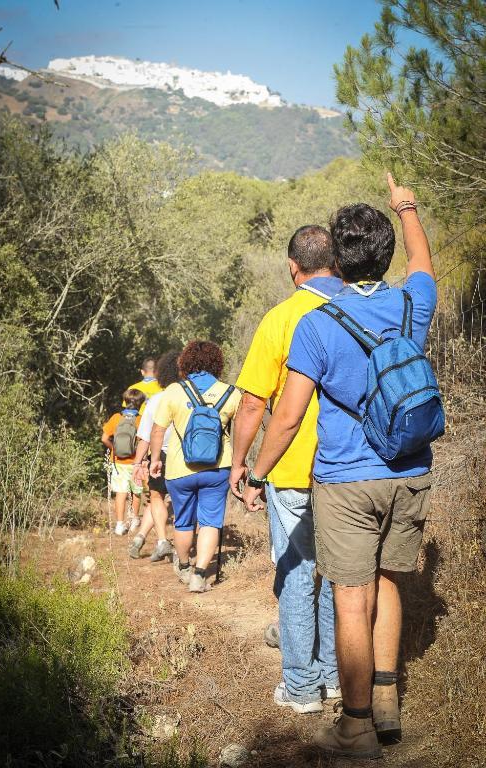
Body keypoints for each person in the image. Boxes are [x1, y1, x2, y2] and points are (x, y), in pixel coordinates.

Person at [242, 174, 437, 759]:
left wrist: (257, 472)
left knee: (351, 597)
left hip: (346, 481)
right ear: (384, 253)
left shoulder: (316, 326)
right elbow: (422, 259)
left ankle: (355, 728)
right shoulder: (412, 303)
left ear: (336, 260)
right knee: (390, 583)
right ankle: (385, 702)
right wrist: (406, 205)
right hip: (408, 471)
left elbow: (288, 418)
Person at [230, 225, 341, 714]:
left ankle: (301, 686)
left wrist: (242, 465)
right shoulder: (357, 306)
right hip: (349, 470)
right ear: (336, 262)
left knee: (298, 575)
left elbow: (254, 404)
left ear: (293, 267)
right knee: (340, 574)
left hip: (293, 470)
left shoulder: (280, 318)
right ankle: (337, 676)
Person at [149, 340, 241, 593]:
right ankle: (200, 574)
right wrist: (239, 463)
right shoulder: (231, 393)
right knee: (211, 521)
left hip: (180, 469)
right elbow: (241, 431)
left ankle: (184, 565)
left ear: (186, 362)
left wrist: (155, 459)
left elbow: (158, 430)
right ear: (217, 363)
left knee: (183, 521)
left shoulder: (174, 391)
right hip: (217, 468)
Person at [128, 350, 181, 561]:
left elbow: (146, 437)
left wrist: (137, 463)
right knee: (176, 501)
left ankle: (161, 541)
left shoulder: (156, 400)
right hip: (186, 457)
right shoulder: (192, 398)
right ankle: (140, 539)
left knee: (157, 498)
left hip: (161, 456)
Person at [102, 388, 145, 535]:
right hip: (136, 463)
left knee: (120, 492)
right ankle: (134, 520)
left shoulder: (116, 418)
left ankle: (120, 525)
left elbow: (104, 438)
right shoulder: (141, 419)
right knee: (136, 492)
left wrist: (114, 448)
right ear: (141, 403)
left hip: (118, 462)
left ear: (125, 401)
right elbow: (144, 441)